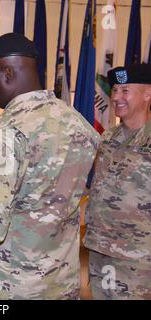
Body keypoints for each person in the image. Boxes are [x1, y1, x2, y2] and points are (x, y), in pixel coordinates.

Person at [0, 33, 101, 299]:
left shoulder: (2, 135)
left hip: (6, 287)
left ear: (7, 73)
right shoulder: (78, 124)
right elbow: (39, 171)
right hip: (59, 282)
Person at [83, 63, 151, 300]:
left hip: (139, 260)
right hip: (100, 250)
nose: (116, 97)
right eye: (114, 91)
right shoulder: (107, 138)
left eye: (125, 90)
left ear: (147, 94)